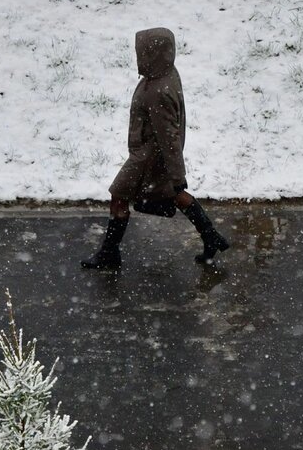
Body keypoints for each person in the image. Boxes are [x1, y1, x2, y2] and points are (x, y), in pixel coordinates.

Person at [82, 27, 229, 270]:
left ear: (153, 54)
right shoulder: (165, 74)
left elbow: (169, 137)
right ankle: (211, 237)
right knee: (174, 194)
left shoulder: (158, 91)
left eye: (143, 51)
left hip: (146, 158)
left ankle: (109, 253)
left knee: (119, 197)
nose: (139, 55)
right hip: (151, 155)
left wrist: (177, 176)